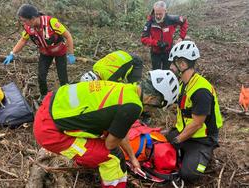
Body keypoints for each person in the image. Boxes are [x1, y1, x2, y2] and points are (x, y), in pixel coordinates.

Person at [34, 69, 179, 188]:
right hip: (50, 132)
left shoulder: (128, 89)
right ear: (152, 99)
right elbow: (111, 143)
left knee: (112, 149)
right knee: (112, 158)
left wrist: (133, 157)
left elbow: (119, 133)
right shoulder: (133, 107)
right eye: (157, 108)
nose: (153, 112)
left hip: (52, 108)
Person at [166, 40, 223, 181]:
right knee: (159, 144)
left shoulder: (201, 90)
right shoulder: (183, 83)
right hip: (185, 132)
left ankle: (205, 154)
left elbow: (197, 123)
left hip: (202, 139)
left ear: (183, 64)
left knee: (189, 175)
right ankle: (184, 150)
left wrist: (177, 140)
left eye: (173, 63)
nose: (170, 67)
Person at [2, 4, 75, 101]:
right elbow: (23, 40)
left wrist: (71, 53)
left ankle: (67, 97)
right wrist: (12, 53)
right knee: (41, 75)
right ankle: (44, 95)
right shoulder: (28, 28)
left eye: (24, 20)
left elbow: (68, 36)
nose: (24, 23)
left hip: (59, 52)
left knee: (63, 76)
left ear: (32, 18)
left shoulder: (51, 22)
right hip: (45, 53)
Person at [141, 1, 188, 70]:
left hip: (168, 52)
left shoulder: (172, 19)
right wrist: (156, 43)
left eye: (160, 14)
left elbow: (184, 21)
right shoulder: (150, 22)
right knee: (156, 72)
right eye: (156, 14)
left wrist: (181, 37)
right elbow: (143, 39)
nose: (158, 16)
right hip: (155, 52)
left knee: (166, 72)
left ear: (165, 11)